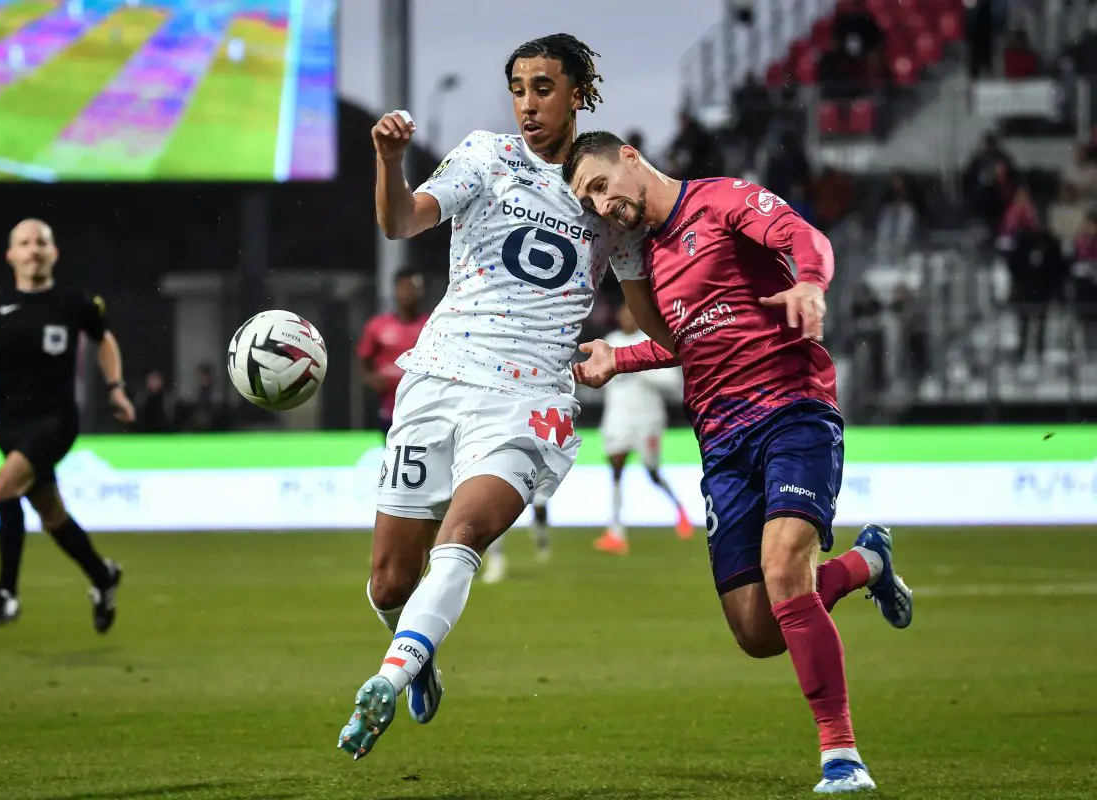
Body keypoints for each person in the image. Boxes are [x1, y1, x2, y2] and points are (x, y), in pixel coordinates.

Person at [563, 132, 914, 794]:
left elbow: (806, 238)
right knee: (758, 630)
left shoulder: (722, 201)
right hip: (721, 441)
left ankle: (841, 755)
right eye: (589, 199)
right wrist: (620, 357)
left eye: (603, 184)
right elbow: (693, 339)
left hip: (792, 410)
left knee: (784, 567)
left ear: (631, 157)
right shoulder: (647, 262)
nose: (602, 203)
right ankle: (867, 563)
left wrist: (810, 284)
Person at [338, 34, 653, 760]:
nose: (527, 104)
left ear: (580, 92)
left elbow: (653, 314)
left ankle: (387, 679)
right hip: (439, 378)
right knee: (389, 582)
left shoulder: (608, 189)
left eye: (543, 87)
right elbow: (400, 221)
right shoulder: (486, 155)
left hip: (529, 398)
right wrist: (390, 161)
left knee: (463, 536)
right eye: (518, 88)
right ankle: (416, 651)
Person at [0, 219, 135, 633]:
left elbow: (104, 339)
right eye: (25, 243)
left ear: (54, 254)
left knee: (3, 487)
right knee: (51, 515)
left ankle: (6, 594)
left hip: (56, 421)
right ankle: (103, 575)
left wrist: (116, 388)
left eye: (41, 242)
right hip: (10, 426)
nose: (34, 249)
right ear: (11, 255)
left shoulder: (74, 303)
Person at [593, 301, 692, 555]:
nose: (627, 318)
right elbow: (605, 384)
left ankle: (680, 510)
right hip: (617, 419)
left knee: (652, 472)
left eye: (631, 313)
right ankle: (615, 533)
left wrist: (636, 365)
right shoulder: (611, 340)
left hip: (647, 420)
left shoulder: (651, 340)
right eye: (623, 313)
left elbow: (671, 383)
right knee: (615, 469)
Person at [356, 267, 429, 438]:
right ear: (396, 291)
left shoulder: (430, 325)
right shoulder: (378, 326)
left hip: (423, 405)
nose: (409, 293)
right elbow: (363, 358)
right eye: (404, 287)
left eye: (413, 288)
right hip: (388, 406)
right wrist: (372, 379)